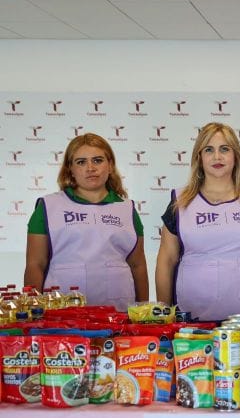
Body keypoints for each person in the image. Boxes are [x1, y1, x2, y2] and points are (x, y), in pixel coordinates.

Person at [155, 122, 240, 322]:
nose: (217, 157)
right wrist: (163, 314)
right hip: (192, 323)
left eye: (224, 149)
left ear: (235, 155)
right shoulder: (180, 202)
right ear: (199, 157)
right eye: (209, 150)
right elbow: (166, 261)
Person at [24, 133, 148, 310]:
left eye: (97, 160)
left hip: (119, 311)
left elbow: (138, 265)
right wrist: (32, 311)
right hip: (61, 313)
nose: (90, 168)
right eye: (81, 162)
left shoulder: (127, 208)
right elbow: (35, 265)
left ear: (110, 165)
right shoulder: (48, 207)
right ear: (70, 169)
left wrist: (143, 311)